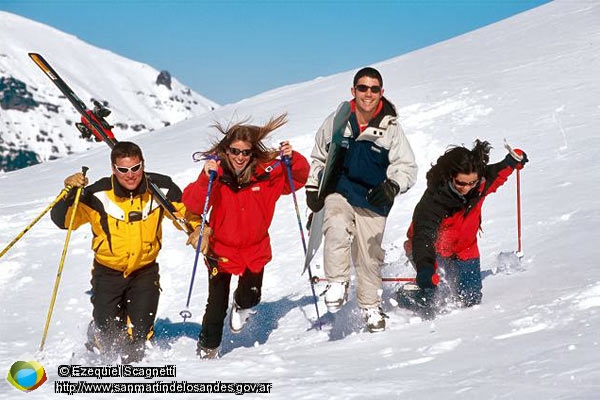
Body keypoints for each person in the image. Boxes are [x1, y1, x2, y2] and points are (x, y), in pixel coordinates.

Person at [51, 141, 200, 363]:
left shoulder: (160, 189)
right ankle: (97, 332)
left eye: (135, 168)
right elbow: (64, 221)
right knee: (111, 337)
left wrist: (198, 228)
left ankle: (132, 380)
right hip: (108, 272)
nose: (130, 175)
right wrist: (69, 193)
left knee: (139, 338)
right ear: (113, 169)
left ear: (143, 165)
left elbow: (185, 213)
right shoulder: (96, 194)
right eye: (123, 170)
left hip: (144, 272)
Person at [182, 114, 309, 359]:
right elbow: (193, 204)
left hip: (255, 249)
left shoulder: (267, 175)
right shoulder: (215, 176)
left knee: (251, 295)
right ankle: (208, 348)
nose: (240, 157)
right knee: (216, 304)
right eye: (235, 151)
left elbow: (298, 179)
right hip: (221, 250)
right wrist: (204, 177)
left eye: (246, 152)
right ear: (226, 151)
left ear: (253, 154)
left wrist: (293, 160)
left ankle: (242, 306)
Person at [305, 67, 418, 332]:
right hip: (340, 191)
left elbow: (407, 167)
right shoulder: (339, 120)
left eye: (374, 89)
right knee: (335, 223)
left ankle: (369, 306)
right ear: (353, 90)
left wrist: (392, 185)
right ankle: (337, 282)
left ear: (381, 93)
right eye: (363, 88)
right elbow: (320, 157)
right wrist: (313, 187)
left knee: (369, 258)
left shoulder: (390, 128)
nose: (368, 94)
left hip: (373, 199)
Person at [402, 140, 528, 317]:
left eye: (472, 183)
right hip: (429, 251)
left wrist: (512, 161)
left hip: (465, 248)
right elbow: (423, 237)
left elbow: (498, 172)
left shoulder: (480, 184)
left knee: (470, 299)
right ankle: (406, 296)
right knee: (433, 297)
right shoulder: (435, 199)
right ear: (450, 176)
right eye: (461, 183)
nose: (467, 189)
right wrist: (425, 267)